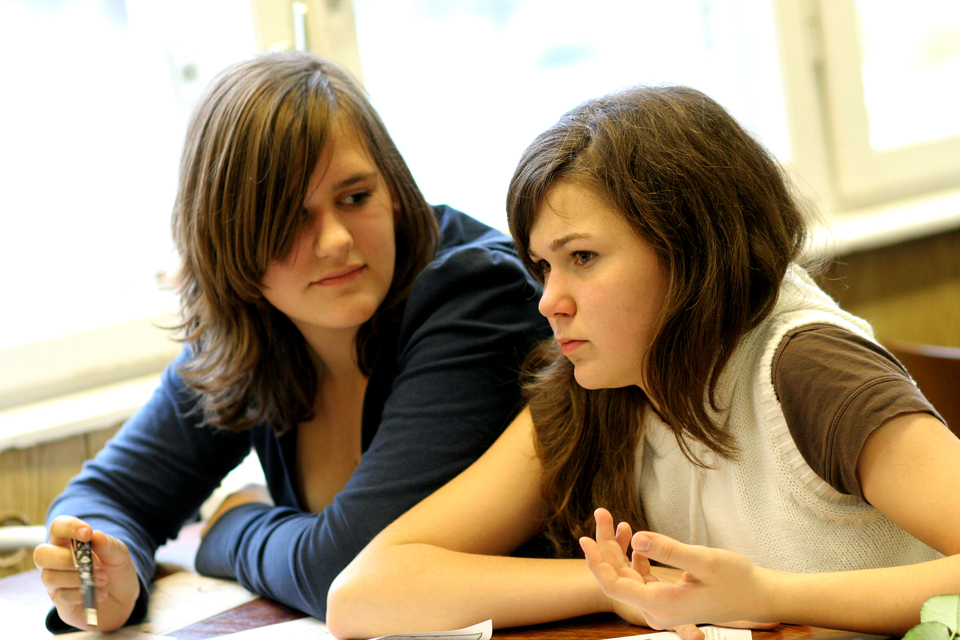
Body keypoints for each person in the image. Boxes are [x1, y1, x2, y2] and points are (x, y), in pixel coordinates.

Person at [327, 85, 960, 639]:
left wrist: (769, 595)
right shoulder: (600, 381)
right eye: (543, 266)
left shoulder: (807, 366)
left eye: (582, 258)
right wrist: (621, 586)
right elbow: (363, 593)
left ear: (688, 248)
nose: (549, 301)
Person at [32, 51, 550, 633]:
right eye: (290, 217)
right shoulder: (251, 324)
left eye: (355, 197)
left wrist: (231, 525)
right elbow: (104, 496)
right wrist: (109, 572)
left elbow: (350, 570)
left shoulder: (477, 294)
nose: (335, 240)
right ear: (230, 238)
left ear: (394, 189)